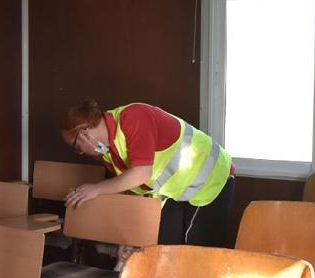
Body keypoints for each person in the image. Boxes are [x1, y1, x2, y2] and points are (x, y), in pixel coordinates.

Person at [60, 98, 235, 254]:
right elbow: (135, 189)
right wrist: (130, 239)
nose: (80, 152)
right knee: (166, 252)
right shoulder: (108, 155)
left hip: (210, 179)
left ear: (83, 133)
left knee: (197, 256)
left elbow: (141, 174)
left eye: (76, 147)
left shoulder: (133, 117)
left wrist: (96, 189)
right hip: (176, 192)